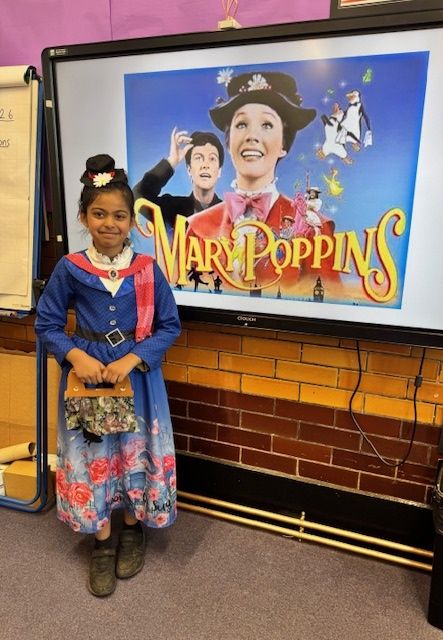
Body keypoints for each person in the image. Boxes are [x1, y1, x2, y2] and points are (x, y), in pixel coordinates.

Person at [35, 154, 181, 598]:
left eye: (120, 215)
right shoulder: (71, 268)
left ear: (132, 220)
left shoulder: (147, 269)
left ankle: (132, 528)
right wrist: (74, 354)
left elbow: (169, 326)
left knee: (134, 450)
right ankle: (101, 539)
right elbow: (47, 323)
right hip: (89, 378)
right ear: (84, 217)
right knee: (95, 453)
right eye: (99, 214)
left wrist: (133, 359)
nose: (110, 223)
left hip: (137, 380)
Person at [185, 70, 341, 295]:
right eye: (241, 124)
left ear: (283, 144)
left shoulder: (313, 228)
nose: (252, 136)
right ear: (228, 142)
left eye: (266, 125)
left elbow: (328, 303)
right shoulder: (198, 227)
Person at [133, 127, 224, 229]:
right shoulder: (172, 209)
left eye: (212, 158)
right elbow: (138, 197)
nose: (205, 165)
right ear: (189, 169)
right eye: (198, 158)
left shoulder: (231, 214)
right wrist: (172, 161)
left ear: (219, 171)